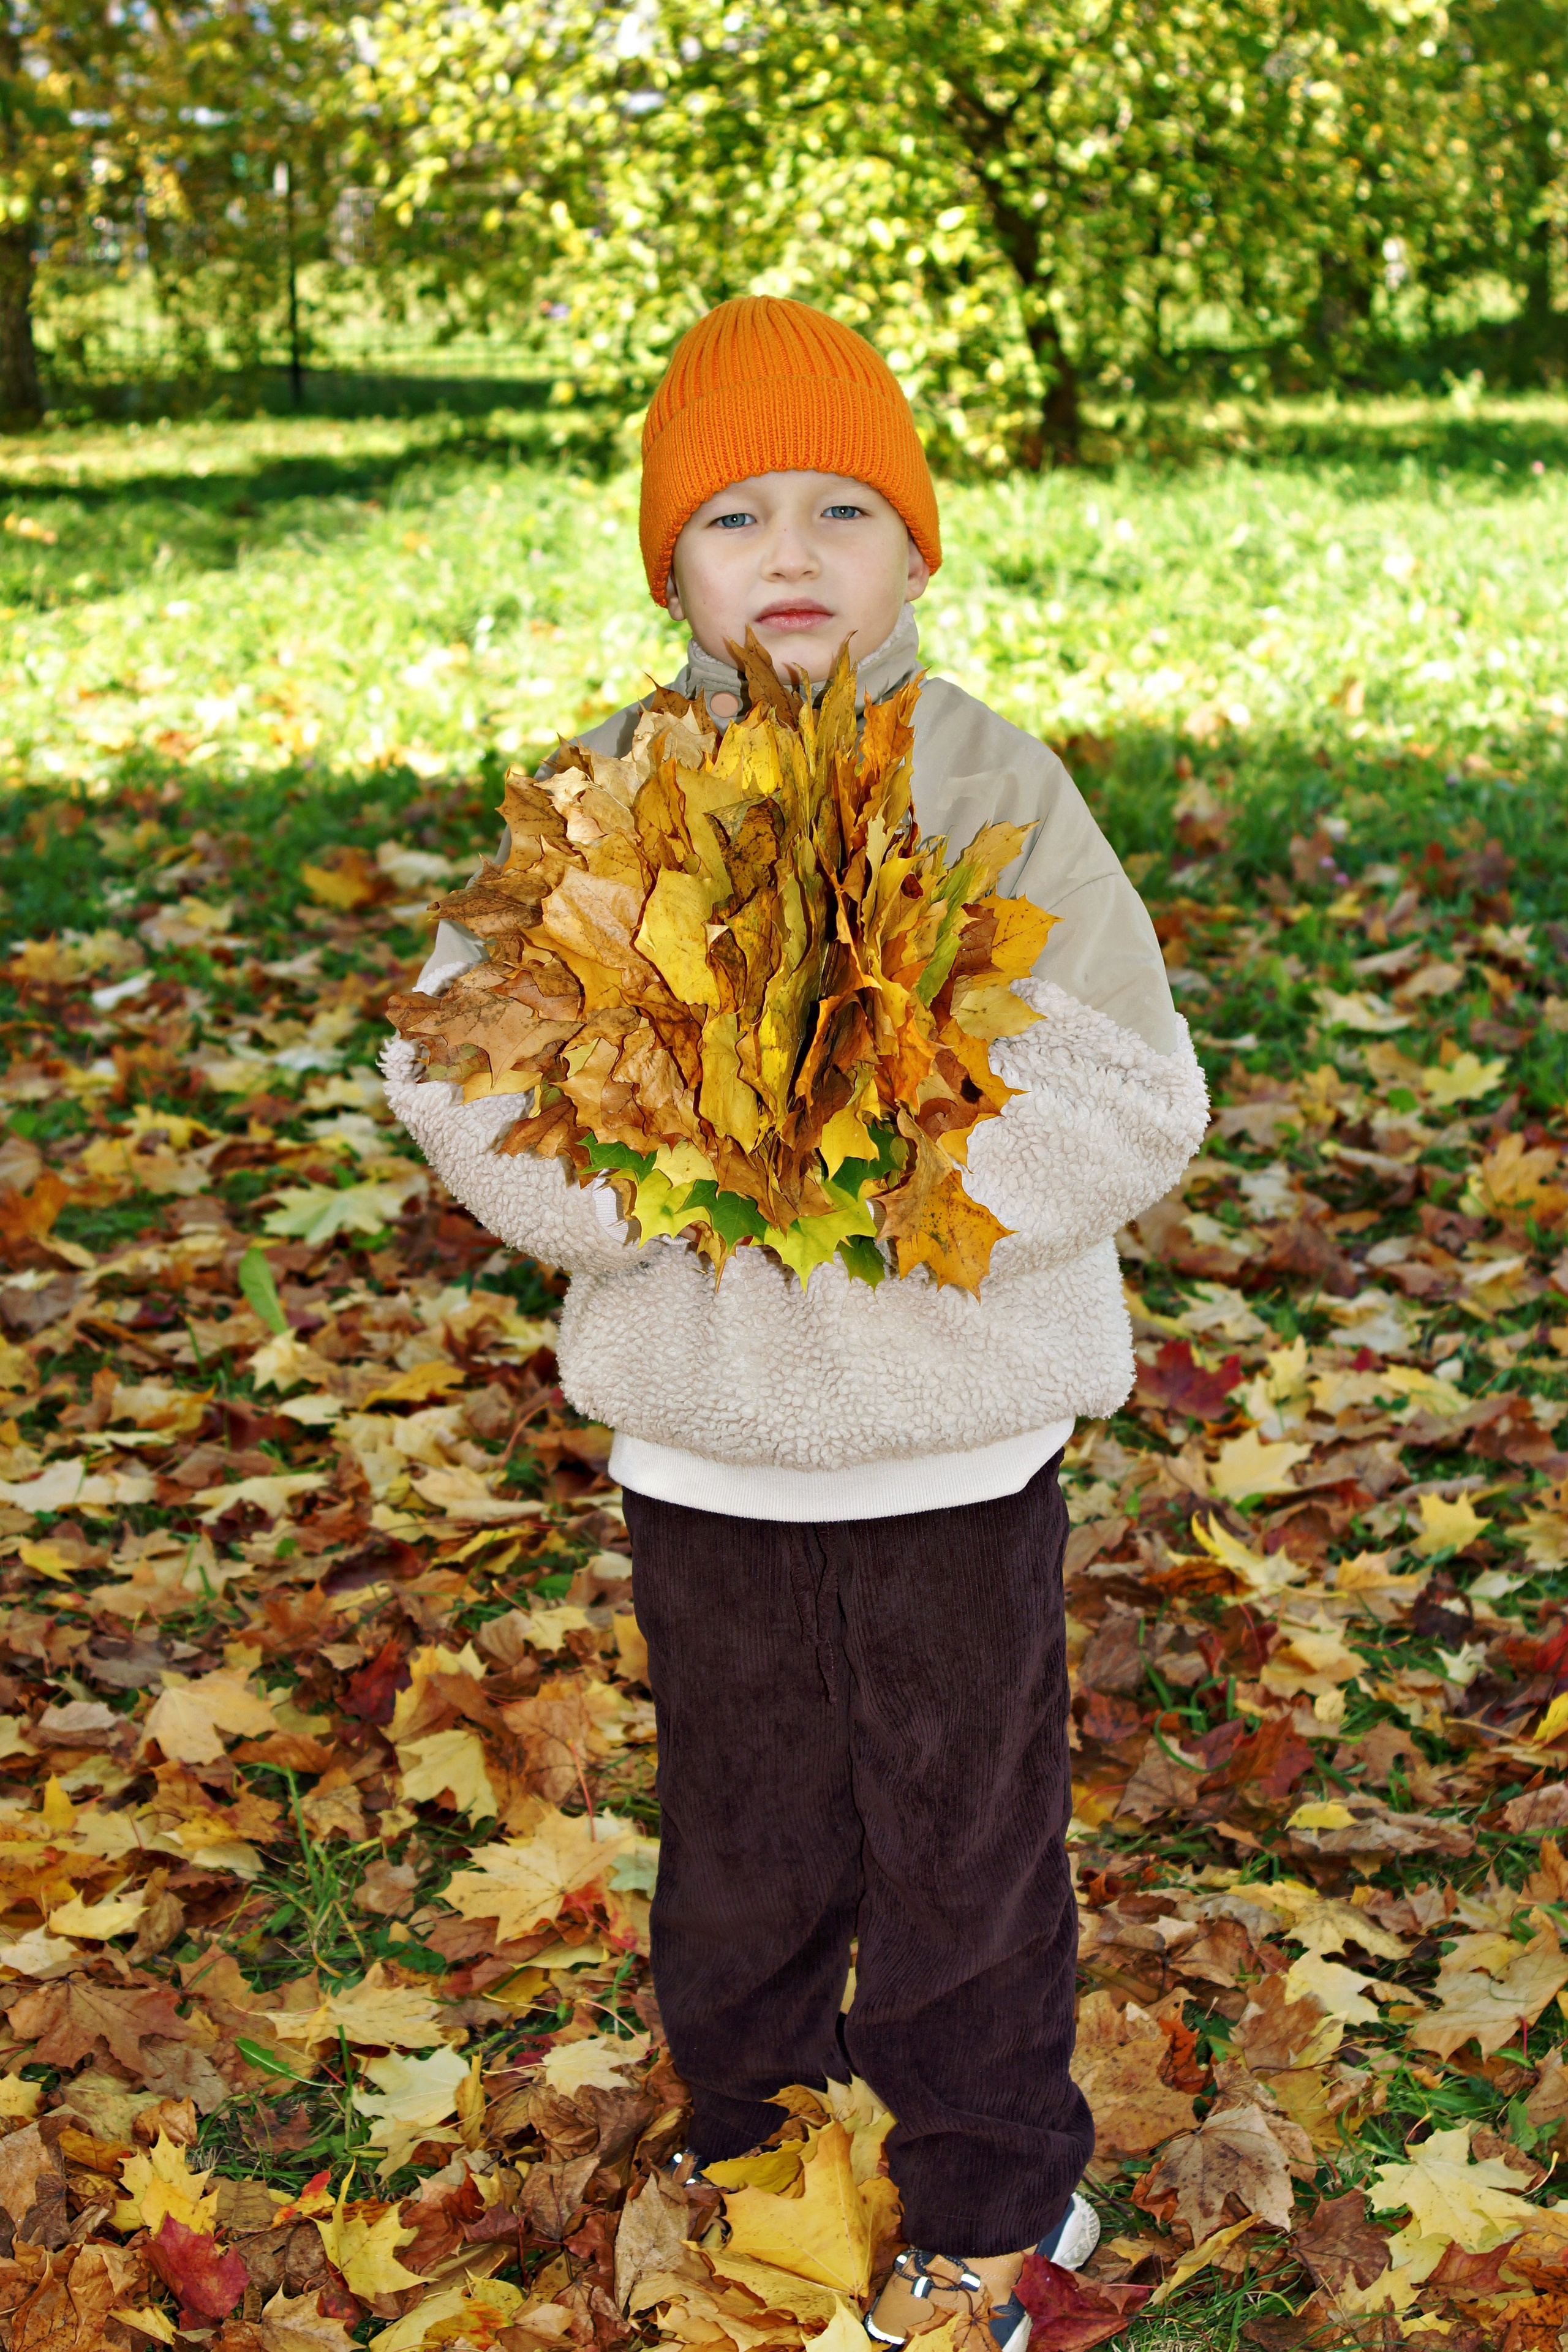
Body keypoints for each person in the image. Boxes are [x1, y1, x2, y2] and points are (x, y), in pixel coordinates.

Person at [385, 296, 1208, 2352]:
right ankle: (761, 2153)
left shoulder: (996, 787)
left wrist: (872, 1157)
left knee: (963, 1844)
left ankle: (994, 2191)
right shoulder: (604, 795)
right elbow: (455, 1071)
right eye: (735, 516)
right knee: (742, 1850)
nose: (792, 555)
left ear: (917, 549)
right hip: (710, 1443)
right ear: (669, 564)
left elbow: (1136, 1094)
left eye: (845, 510)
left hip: (957, 1438)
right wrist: (668, 1174)